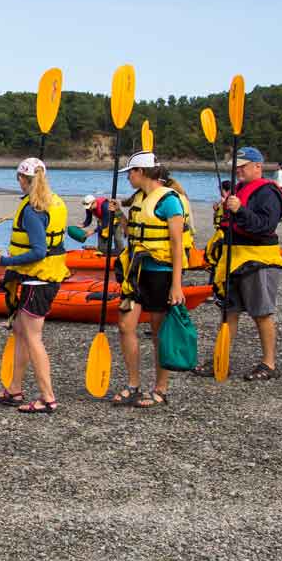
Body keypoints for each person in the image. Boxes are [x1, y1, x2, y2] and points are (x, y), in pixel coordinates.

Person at [103, 151, 186, 409]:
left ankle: (161, 389)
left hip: (161, 274)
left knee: (159, 333)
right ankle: (133, 385)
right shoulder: (139, 198)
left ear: (142, 173)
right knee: (126, 326)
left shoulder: (170, 201)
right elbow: (132, 233)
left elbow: (176, 243)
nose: (128, 177)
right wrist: (120, 216)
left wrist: (177, 284)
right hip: (136, 273)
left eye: (131, 172)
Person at [195, 146, 282, 381]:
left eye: (243, 167)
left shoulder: (268, 192)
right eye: (236, 168)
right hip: (233, 258)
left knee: (261, 313)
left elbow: (266, 225)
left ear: (258, 166)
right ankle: (221, 358)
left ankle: (269, 363)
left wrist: (241, 210)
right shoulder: (239, 189)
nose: (238, 171)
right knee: (229, 312)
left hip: (258, 259)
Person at [0, 157, 69, 414]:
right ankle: (14, 389)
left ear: (23, 179)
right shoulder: (54, 200)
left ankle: (48, 398)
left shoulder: (33, 210)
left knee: (33, 338)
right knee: (21, 332)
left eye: (18, 179)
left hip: (38, 279)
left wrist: (5, 261)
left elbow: (39, 251)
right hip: (42, 277)